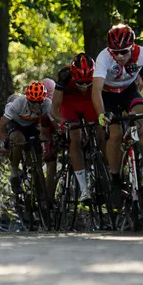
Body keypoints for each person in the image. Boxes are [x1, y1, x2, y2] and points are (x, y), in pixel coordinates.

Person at [92, 24, 143, 197]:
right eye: (115, 52)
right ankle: (115, 181)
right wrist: (101, 114)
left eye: (124, 51)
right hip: (107, 95)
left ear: (132, 46)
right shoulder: (104, 57)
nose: (119, 56)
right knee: (115, 134)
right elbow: (96, 90)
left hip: (128, 91)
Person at [50, 53, 99, 202]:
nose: (84, 86)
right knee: (75, 136)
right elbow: (55, 109)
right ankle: (84, 189)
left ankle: (106, 175)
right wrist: (63, 122)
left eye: (88, 83)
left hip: (90, 101)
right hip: (70, 103)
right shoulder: (65, 75)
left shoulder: (100, 72)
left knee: (102, 131)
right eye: (79, 83)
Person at [0, 81, 54, 202]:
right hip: (15, 124)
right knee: (19, 139)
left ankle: (38, 191)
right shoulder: (18, 103)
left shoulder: (47, 104)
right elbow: (1, 126)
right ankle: (14, 172)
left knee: (37, 158)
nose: (36, 105)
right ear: (27, 99)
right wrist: (6, 141)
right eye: (32, 102)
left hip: (31, 125)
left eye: (39, 102)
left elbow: (54, 121)